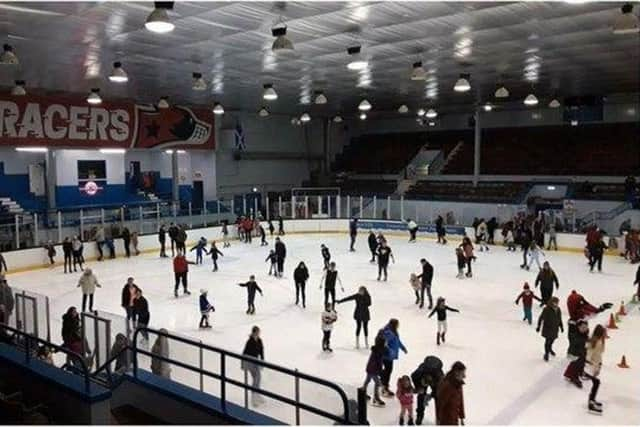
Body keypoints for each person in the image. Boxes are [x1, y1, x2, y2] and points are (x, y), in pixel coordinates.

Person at [411, 356, 444, 426]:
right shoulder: (418, 373)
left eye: (428, 383)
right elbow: (413, 376)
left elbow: (440, 390)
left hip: (436, 380)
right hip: (424, 376)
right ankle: (419, 415)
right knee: (421, 397)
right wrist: (418, 387)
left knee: (438, 398)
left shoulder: (439, 378)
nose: (426, 385)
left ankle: (439, 418)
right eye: (425, 384)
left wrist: (431, 395)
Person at [380, 319, 408, 397]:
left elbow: (397, 341)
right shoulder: (389, 333)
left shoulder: (394, 332)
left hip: (390, 356)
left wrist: (403, 348)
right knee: (388, 371)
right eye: (397, 324)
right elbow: (383, 343)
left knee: (388, 370)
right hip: (387, 356)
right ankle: (384, 387)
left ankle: (383, 382)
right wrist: (389, 351)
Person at [436, 361, 466, 426]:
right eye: (462, 373)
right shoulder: (448, 385)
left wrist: (461, 417)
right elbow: (440, 403)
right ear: (456, 372)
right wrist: (438, 419)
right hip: (446, 420)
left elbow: (461, 401)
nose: (464, 376)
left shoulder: (458, 384)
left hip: (455, 419)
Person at [584, 324, 605, 414]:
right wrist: (590, 364)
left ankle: (592, 400)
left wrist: (599, 365)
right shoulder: (595, 342)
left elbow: (599, 355)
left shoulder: (599, 341)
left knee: (596, 383)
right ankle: (591, 403)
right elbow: (589, 353)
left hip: (594, 366)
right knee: (596, 383)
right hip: (590, 366)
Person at [242, 326, 265, 406]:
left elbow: (261, 350)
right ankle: (254, 397)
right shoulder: (250, 341)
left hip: (256, 361)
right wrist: (243, 363)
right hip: (249, 361)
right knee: (257, 377)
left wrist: (262, 360)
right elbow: (245, 351)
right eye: (258, 332)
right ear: (254, 332)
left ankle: (257, 394)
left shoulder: (259, 340)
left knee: (257, 377)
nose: (259, 333)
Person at [362, 333, 386, 407]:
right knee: (378, 383)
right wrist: (381, 370)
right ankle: (376, 398)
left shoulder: (376, 349)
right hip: (373, 369)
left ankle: (363, 393)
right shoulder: (379, 351)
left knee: (368, 380)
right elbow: (379, 362)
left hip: (370, 368)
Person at [536, 296, 563, 361]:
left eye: (557, 302)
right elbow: (541, 318)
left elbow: (559, 318)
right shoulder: (547, 309)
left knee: (552, 340)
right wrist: (538, 326)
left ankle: (550, 349)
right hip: (548, 328)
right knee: (548, 341)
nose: (556, 304)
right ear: (551, 302)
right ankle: (546, 353)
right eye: (555, 302)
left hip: (555, 328)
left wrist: (561, 326)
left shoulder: (558, 309)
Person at [563, 319, 589, 388]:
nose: (585, 329)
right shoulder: (574, 334)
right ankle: (572, 376)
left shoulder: (585, 334)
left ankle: (580, 372)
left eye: (586, 327)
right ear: (578, 327)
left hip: (582, 352)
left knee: (582, 363)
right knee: (574, 365)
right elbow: (575, 341)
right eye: (583, 327)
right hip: (575, 352)